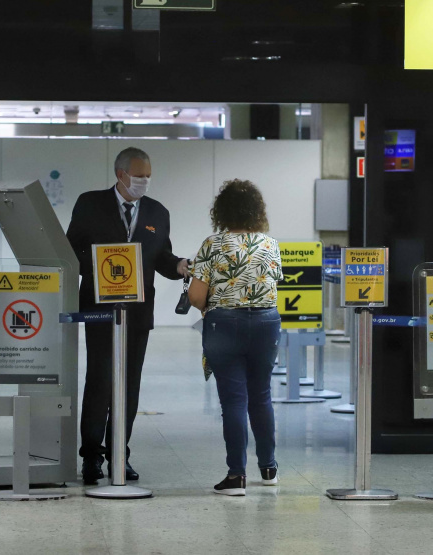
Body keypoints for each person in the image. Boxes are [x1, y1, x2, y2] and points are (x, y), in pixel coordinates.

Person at [67, 147, 189, 485]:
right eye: (139, 175)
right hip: (100, 311)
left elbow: (161, 256)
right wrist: (98, 266)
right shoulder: (90, 204)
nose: (145, 181)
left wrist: (178, 266)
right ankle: (91, 456)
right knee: (101, 381)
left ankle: (120, 453)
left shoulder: (157, 212)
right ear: (121, 174)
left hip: (137, 313)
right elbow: (70, 249)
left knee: (129, 387)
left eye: (148, 175)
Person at [188, 179, 283, 496]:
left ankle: (236, 476)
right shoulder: (270, 244)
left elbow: (196, 297)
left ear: (222, 210)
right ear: (257, 210)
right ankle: (269, 469)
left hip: (225, 324)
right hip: (267, 324)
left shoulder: (213, 245)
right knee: (261, 396)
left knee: (234, 401)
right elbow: (272, 286)